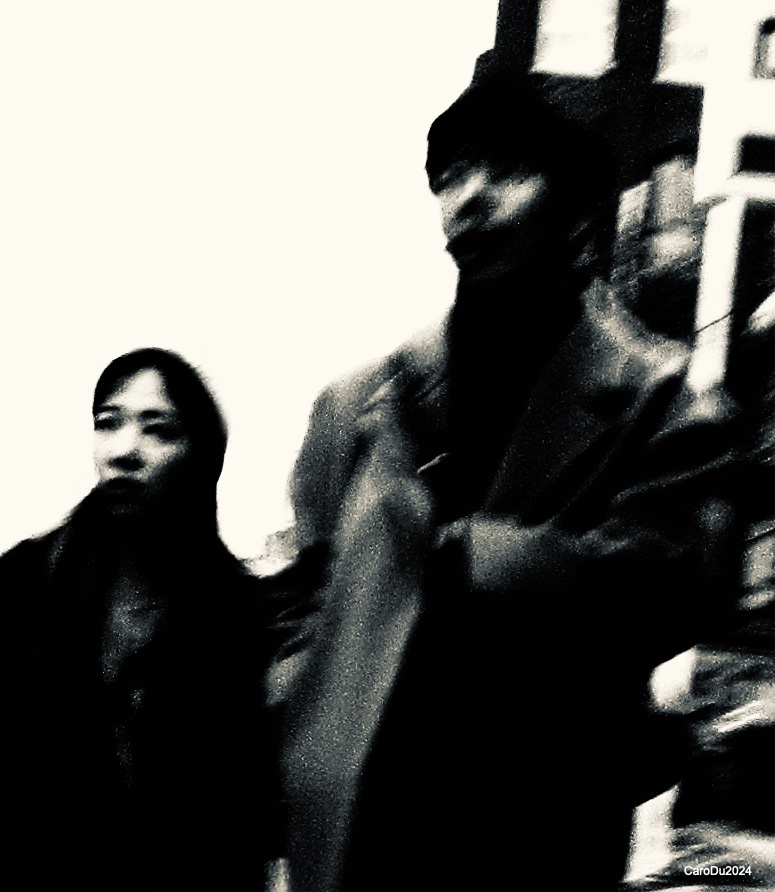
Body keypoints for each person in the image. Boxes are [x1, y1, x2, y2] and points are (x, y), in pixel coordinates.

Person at [272, 74, 742, 891]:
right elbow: (302, 594)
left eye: (506, 170)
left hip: (533, 829)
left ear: (577, 208)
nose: (469, 198)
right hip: (361, 827)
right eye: (450, 174)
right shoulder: (357, 405)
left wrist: (477, 560)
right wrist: (300, 703)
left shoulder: (661, 399)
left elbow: (673, 588)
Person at [0, 348, 278, 891]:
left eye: (159, 430)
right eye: (108, 423)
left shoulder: (238, 617)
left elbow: (243, 821)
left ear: (201, 455)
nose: (125, 450)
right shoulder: (21, 587)